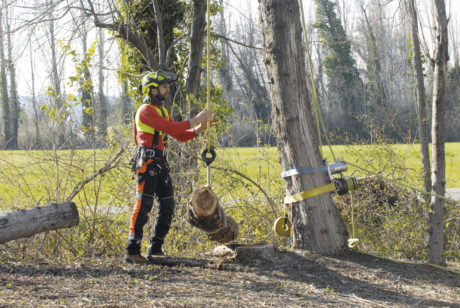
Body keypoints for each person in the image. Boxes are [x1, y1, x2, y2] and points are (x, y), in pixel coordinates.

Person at [125, 70, 216, 263]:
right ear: (152, 89)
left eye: (167, 86)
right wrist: (196, 119)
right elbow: (172, 128)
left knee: (167, 206)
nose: (168, 90)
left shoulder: (162, 111)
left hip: (160, 164)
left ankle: (155, 248)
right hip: (147, 164)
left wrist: (199, 129)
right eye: (164, 86)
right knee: (144, 206)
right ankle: (132, 250)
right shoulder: (146, 110)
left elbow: (179, 136)